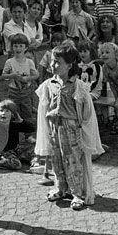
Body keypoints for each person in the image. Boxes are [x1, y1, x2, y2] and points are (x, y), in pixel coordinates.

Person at [37, 42, 103, 210]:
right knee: (56, 158)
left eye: (58, 62)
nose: (53, 65)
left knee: (73, 160)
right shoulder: (49, 84)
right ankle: (61, 187)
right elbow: (44, 106)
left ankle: (77, 193)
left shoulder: (77, 86)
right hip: (54, 126)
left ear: (69, 65)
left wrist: (83, 129)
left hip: (70, 128)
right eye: (52, 61)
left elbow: (87, 111)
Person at [0, 99, 37, 171]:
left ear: (12, 114)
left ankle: (35, 163)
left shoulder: (14, 125)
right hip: (3, 152)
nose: (4, 113)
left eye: (7, 111)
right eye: (1, 111)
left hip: (16, 150)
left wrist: (21, 120)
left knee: (33, 149)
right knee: (16, 165)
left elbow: (32, 128)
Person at [0, 33, 37, 121]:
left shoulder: (29, 62)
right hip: (13, 92)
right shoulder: (9, 62)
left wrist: (27, 78)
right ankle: (14, 130)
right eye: (15, 46)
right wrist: (11, 75)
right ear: (12, 47)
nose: (18, 48)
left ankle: (28, 132)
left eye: (21, 46)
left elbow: (36, 75)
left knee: (27, 111)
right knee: (13, 111)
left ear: (26, 48)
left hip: (26, 92)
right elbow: (3, 76)